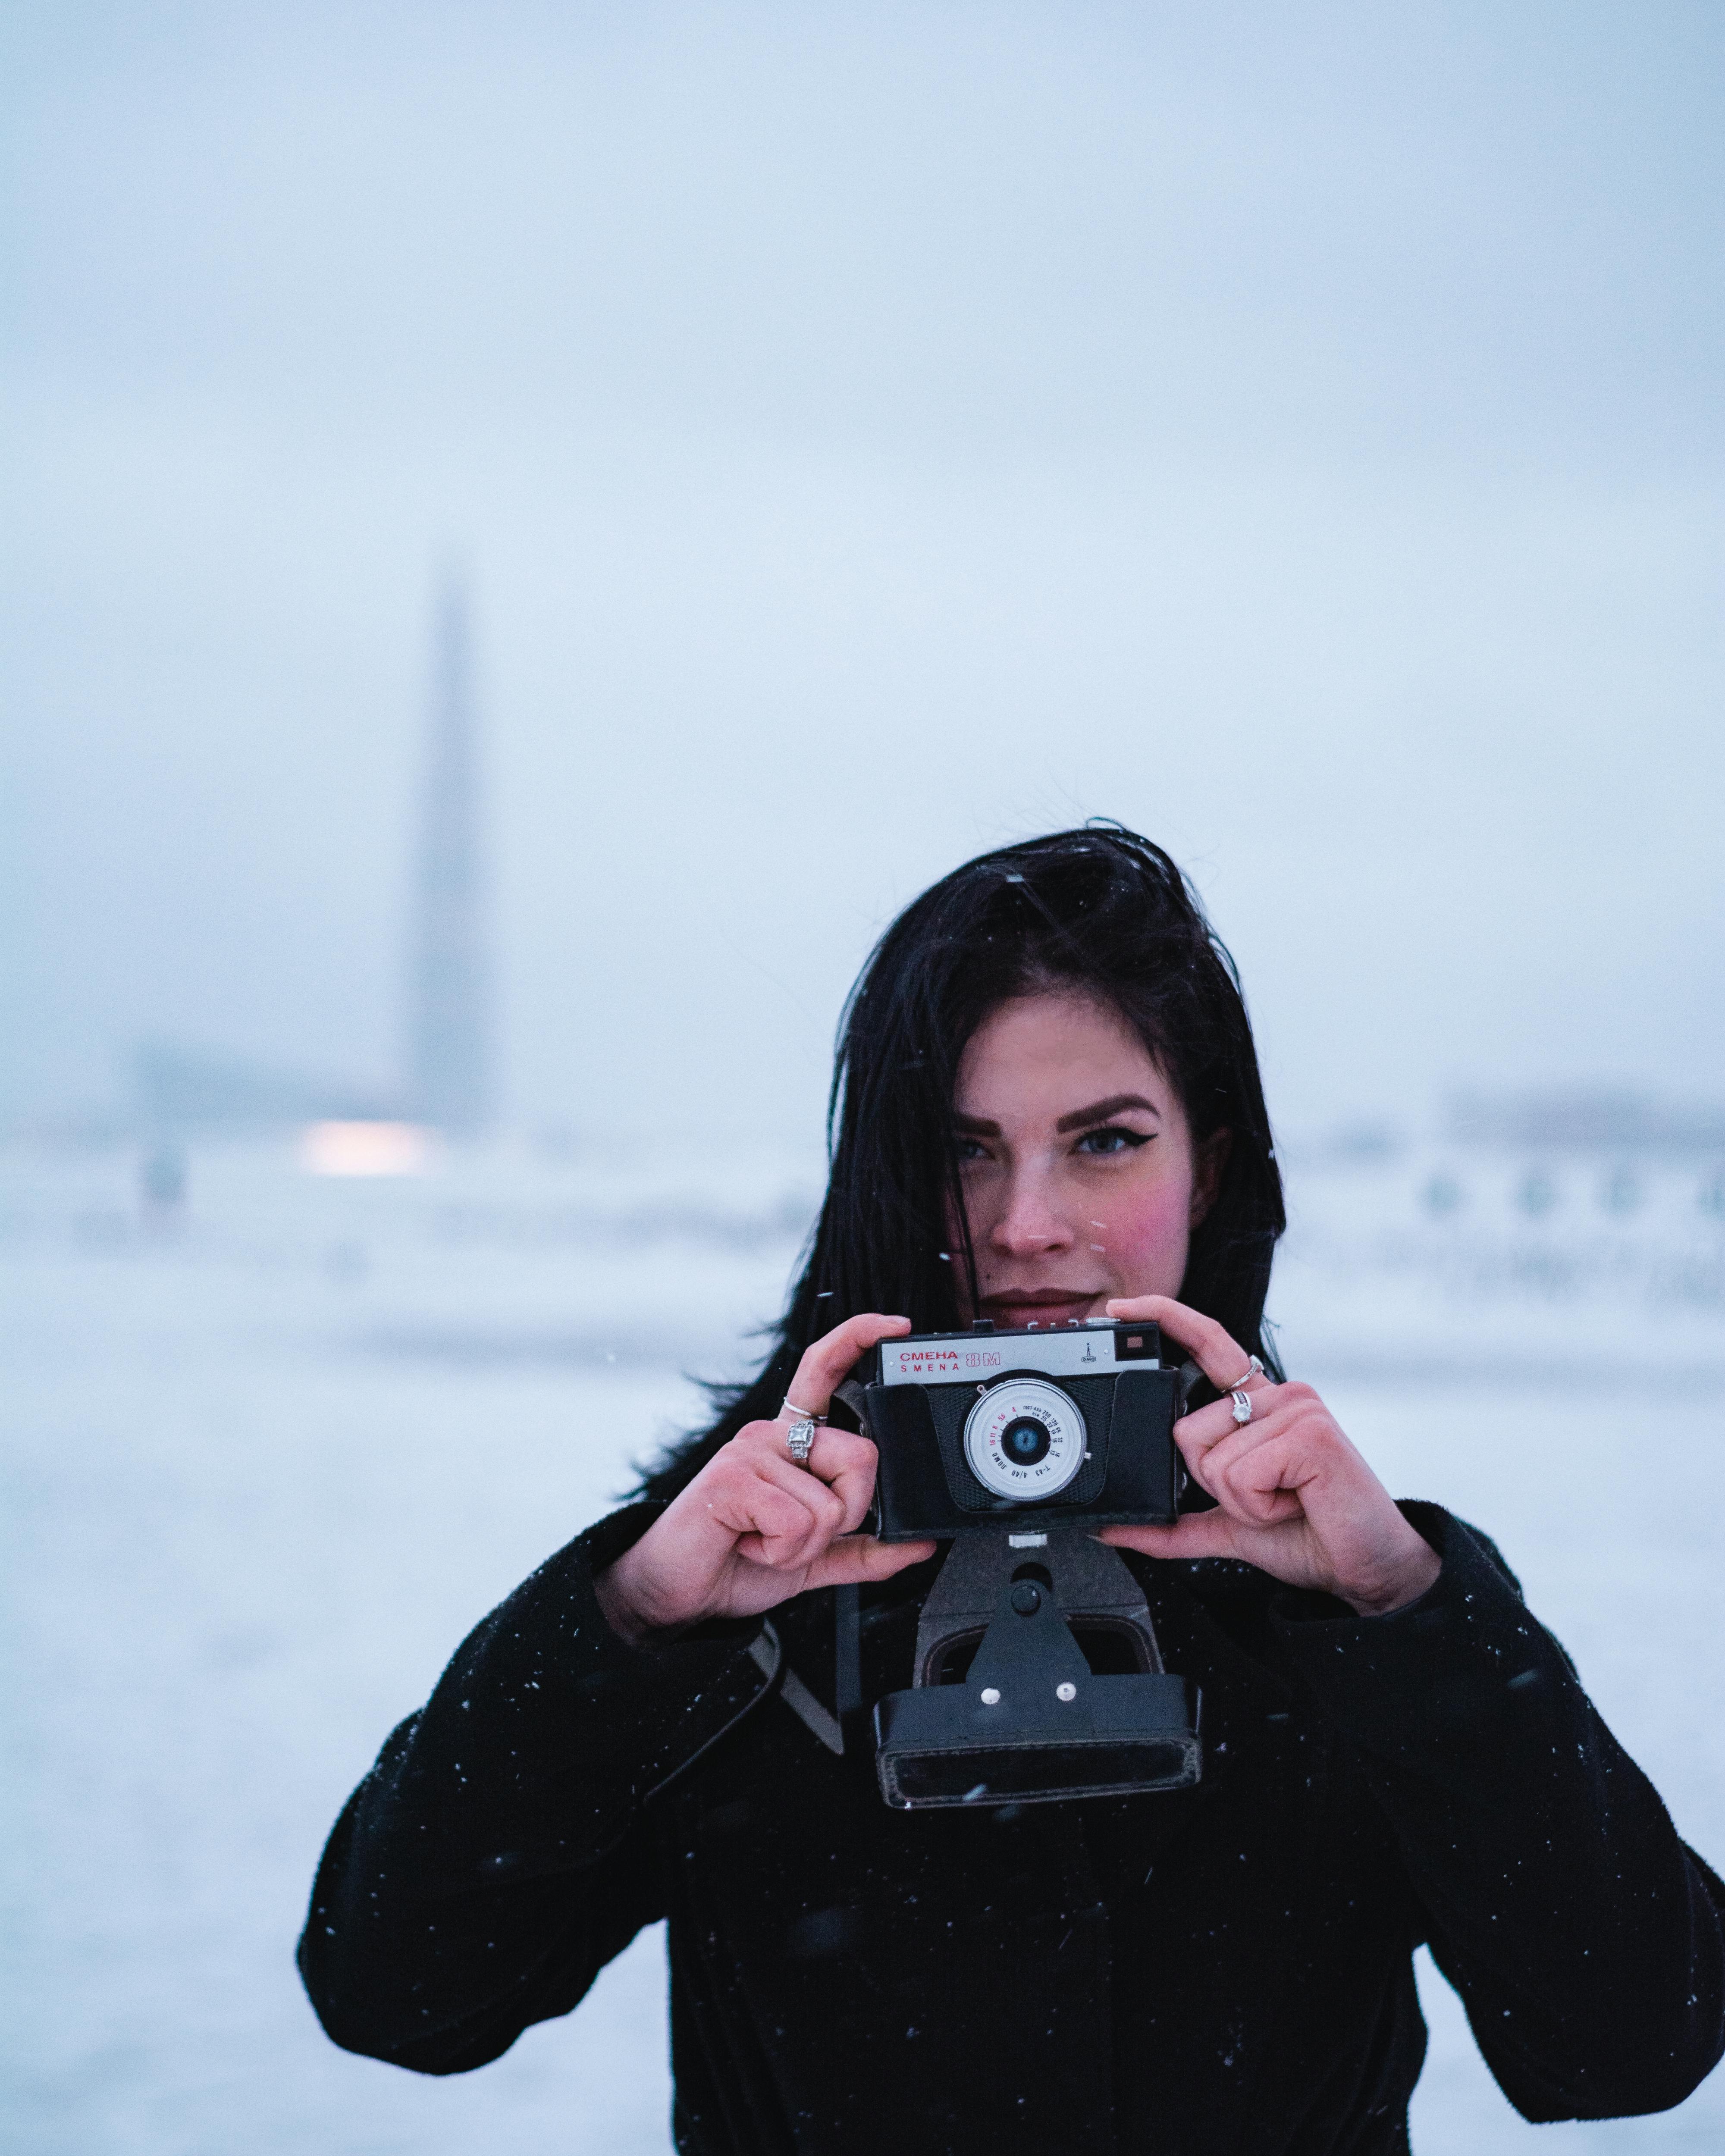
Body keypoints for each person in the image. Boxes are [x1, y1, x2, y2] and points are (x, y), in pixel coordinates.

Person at [299, 826, 1725, 2154]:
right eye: (962, 1151)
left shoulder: (1339, 1594)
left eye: (1104, 1141)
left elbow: (1632, 2047)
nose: (1028, 1228)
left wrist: (1406, 1612)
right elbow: (397, 1995)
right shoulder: (757, 1574)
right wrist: (633, 1620)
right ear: (881, 1175)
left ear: (1211, 1169)